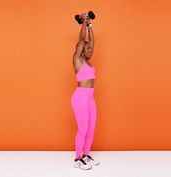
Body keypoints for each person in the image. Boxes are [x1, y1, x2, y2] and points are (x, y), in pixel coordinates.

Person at [71, 13, 100, 170]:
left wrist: (90, 25)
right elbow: (82, 41)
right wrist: (83, 22)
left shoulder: (88, 62)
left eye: (90, 49)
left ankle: (86, 154)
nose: (90, 50)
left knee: (91, 127)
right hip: (80, 98)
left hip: (90, 98)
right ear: (80, 49)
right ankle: (77, 158)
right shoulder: (77, 60)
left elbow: (92, 42)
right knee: (82, 128)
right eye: (86, 48)